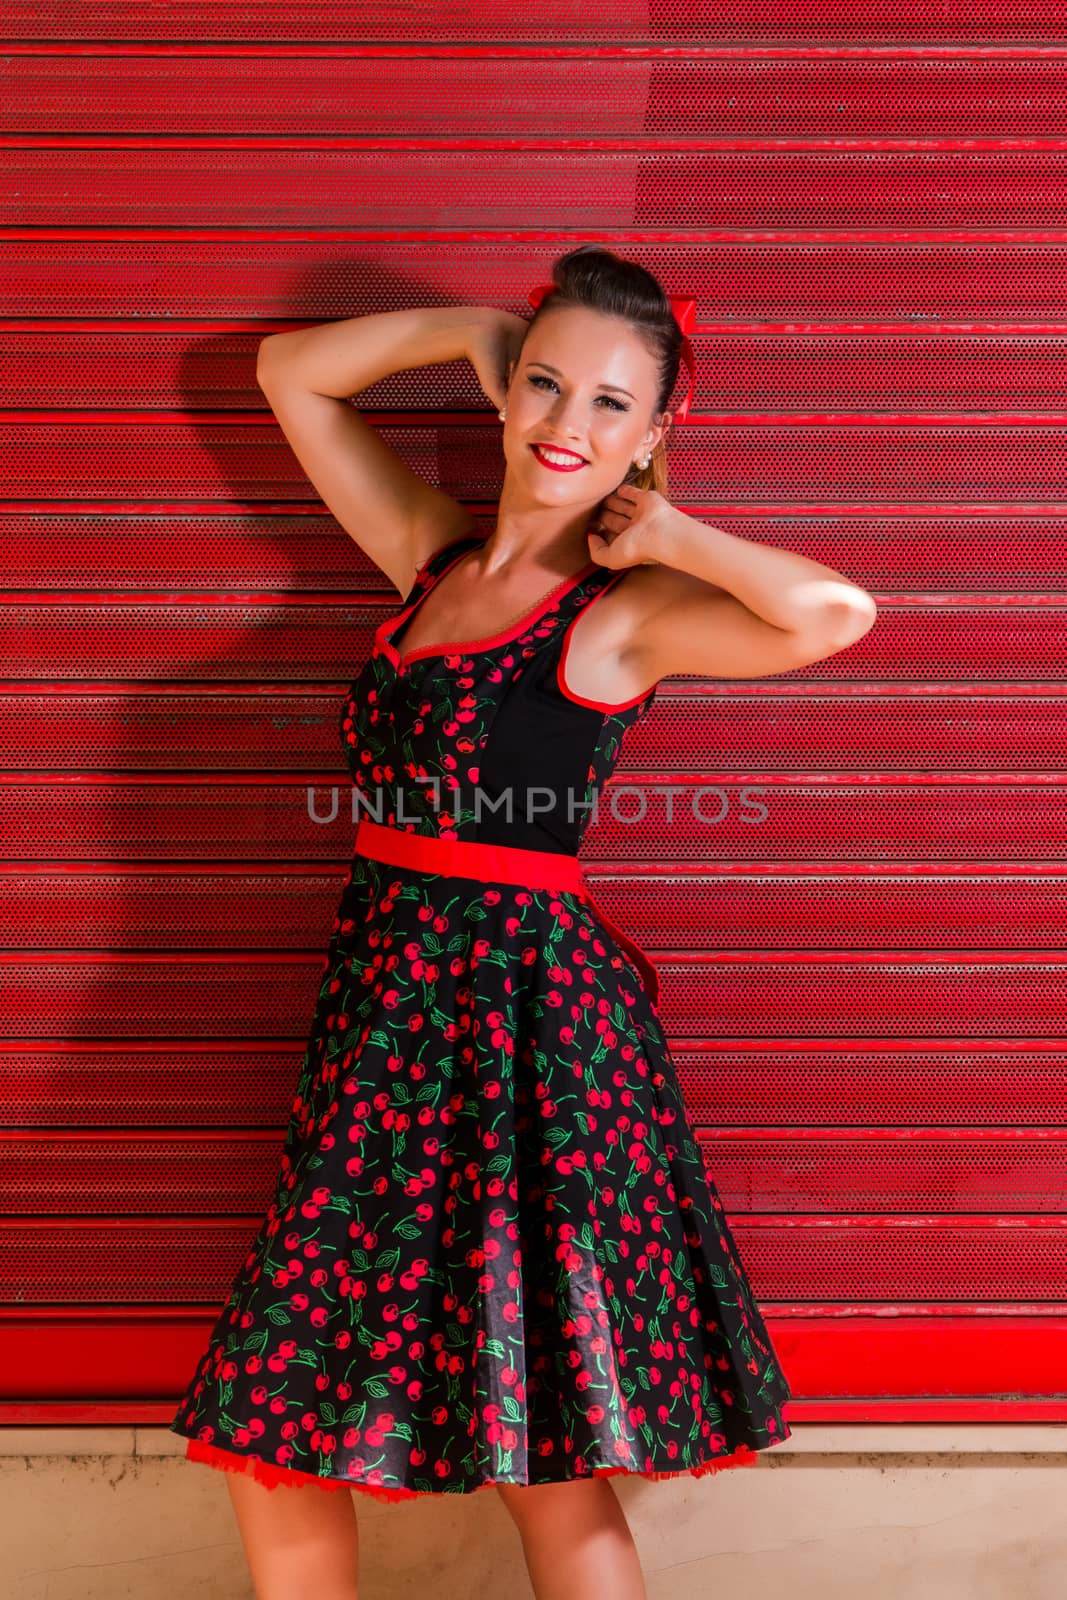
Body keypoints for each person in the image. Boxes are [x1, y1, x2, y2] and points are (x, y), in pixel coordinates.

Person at [168, 244, 877, 1599]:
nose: (567, 424)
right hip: (382, 1041)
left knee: (547, 1461)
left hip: (526, 1056)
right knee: (278, 1434)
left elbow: (833, 611)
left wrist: (665, 528)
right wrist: (473, 327)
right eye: (544, 386)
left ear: (659, 430)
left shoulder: (621, 615)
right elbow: (289, 377)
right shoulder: (429, 556)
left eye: (612, 404)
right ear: (502, 395)